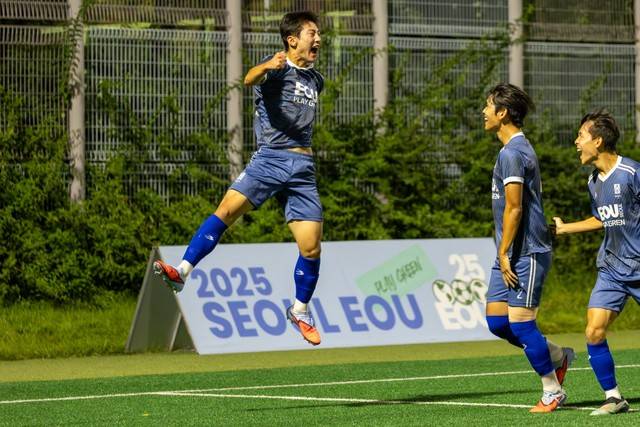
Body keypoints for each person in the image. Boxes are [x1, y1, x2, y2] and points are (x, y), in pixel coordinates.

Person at [153, 11, 324, 346]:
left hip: (303, 169)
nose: (318, 39)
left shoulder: (316, 80)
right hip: (270, 159)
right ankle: (182, 272)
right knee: (227, 211)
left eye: (318, 34)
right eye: (312, 33)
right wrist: (267, 66)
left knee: (311, 247)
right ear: (292, 40)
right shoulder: (276, 68)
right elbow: (249, 78)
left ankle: (300, 310)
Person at [483, 83, 574, 413]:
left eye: (488, 106)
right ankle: (558, 355)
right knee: (498, 322)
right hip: (508, 252)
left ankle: (552, 390)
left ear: (503, 113)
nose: (484, 112)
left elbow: (515, 208)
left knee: (521, 324)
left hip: (527, 252)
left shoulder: (513, 152)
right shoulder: (511, 149)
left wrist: (504, 251)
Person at [553, 109, 638, 415]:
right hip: (612, 269)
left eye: (581, 136)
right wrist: (565, 229)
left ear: (598, 141)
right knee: (593, 331)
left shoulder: (632, 173)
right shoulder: (593, 181)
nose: (576, 142)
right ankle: (614, 397)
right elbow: (602, 218)